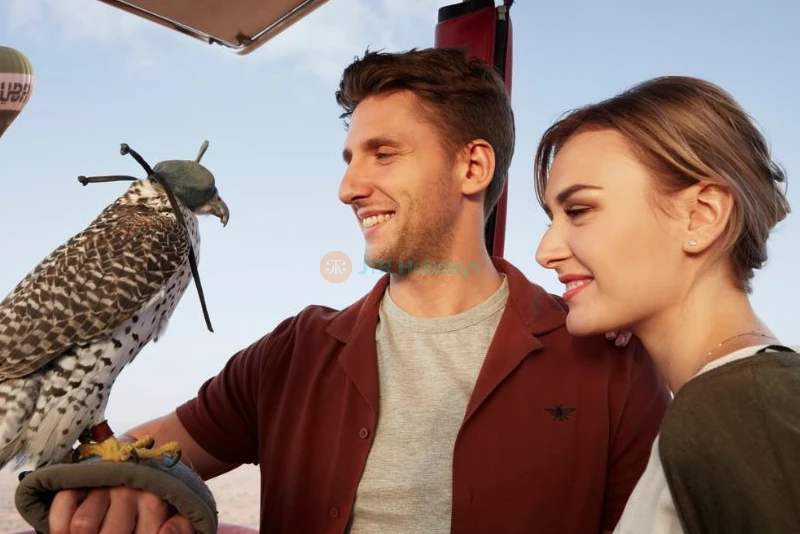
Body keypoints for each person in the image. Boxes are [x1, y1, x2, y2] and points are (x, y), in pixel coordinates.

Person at [46, 47, 669, 534]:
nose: (349, 187)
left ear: (472, 167)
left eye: (383, 154)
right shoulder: (293, 352)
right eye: (348, 158)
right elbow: (129, 454)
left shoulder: (609, 363)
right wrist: (117, 486)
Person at [534, 75, 797, 534]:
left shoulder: (733, 408)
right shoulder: (729, 401)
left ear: (701, 215)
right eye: (552, 217)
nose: (546, 250)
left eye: (578, 211)